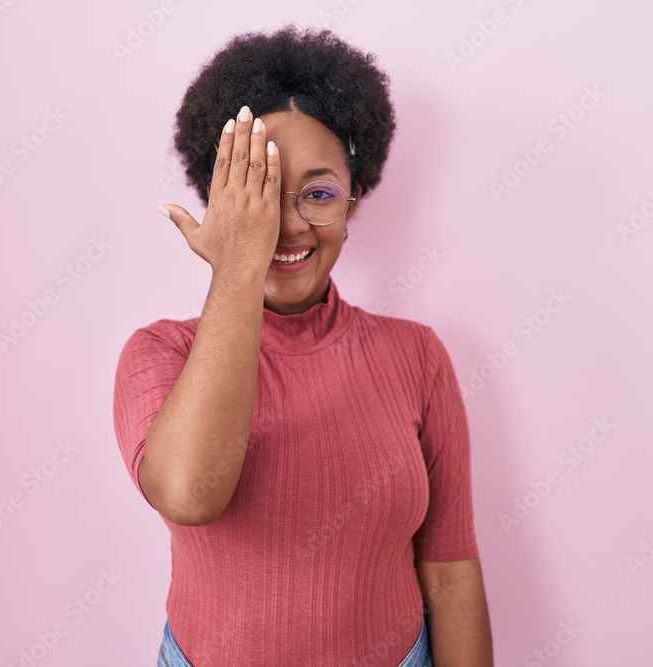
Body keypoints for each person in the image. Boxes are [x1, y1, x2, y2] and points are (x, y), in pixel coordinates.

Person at [113, 25, 494, 666]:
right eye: (258, 196)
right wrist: (235, 267)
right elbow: (190, 495)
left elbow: (451, 572)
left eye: (318, 194)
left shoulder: (418, 357)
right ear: (220, 204)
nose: (288, 225)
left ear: (355, 198)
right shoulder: (159, 354)